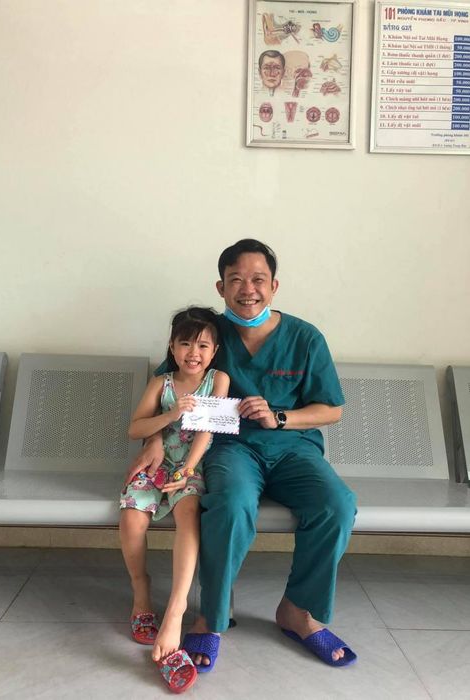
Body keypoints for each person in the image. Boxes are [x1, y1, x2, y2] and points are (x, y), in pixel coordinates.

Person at [125, 239, 357, 672]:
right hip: (227, 447)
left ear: (274, 285)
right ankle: (210, 618)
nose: (248, 289)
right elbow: (165, 392)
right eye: (236, 280)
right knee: (230, 506)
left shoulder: (305, 338)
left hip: (293, 449)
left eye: (258, 280)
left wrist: (280, 417)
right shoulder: (205, 334)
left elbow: (332, 410)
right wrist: (153, 439)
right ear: (221, 287)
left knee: (337, 505)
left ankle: (299, 611)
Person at [119, 307, 230, 680]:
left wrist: (187, 470)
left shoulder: (218, 380)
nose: (193, 353)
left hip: (191, 466)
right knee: (131, 518)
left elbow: (207, 431)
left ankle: (177, 607)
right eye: (185, 344)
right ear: (172, 346)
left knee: (189, 515)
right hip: (155, 464)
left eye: (203, 345)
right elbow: (135, 429)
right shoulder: (160, 383)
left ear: (214, 351)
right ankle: (141, 592)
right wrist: (170, 415)